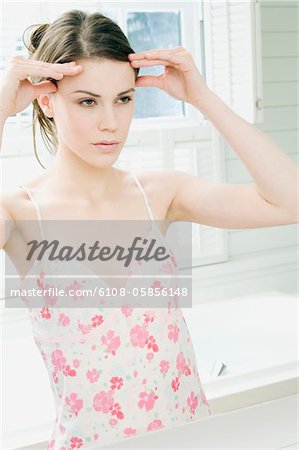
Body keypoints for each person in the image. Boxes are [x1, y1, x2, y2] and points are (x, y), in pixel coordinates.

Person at [0, 8, 297, 450]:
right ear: (46, 100)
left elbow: (288, 201)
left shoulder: (158, 193)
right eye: (87, 101)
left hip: (190, 435)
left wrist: (202, 98)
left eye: (123, 98)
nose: (111, 123)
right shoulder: (22, 214)